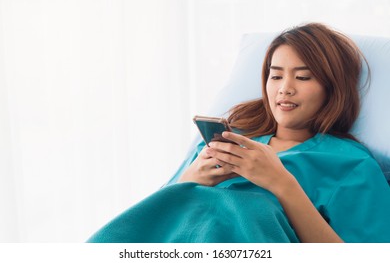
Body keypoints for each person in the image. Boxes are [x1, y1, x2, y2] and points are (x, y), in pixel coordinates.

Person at [87, 23, 390, 243]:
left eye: (303, 76)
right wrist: (193, 178)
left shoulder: (351, 165)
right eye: (275, 75)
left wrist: (282, 185)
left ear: (332, 87)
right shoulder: (233, 137)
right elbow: (159, 212)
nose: (284, 87)